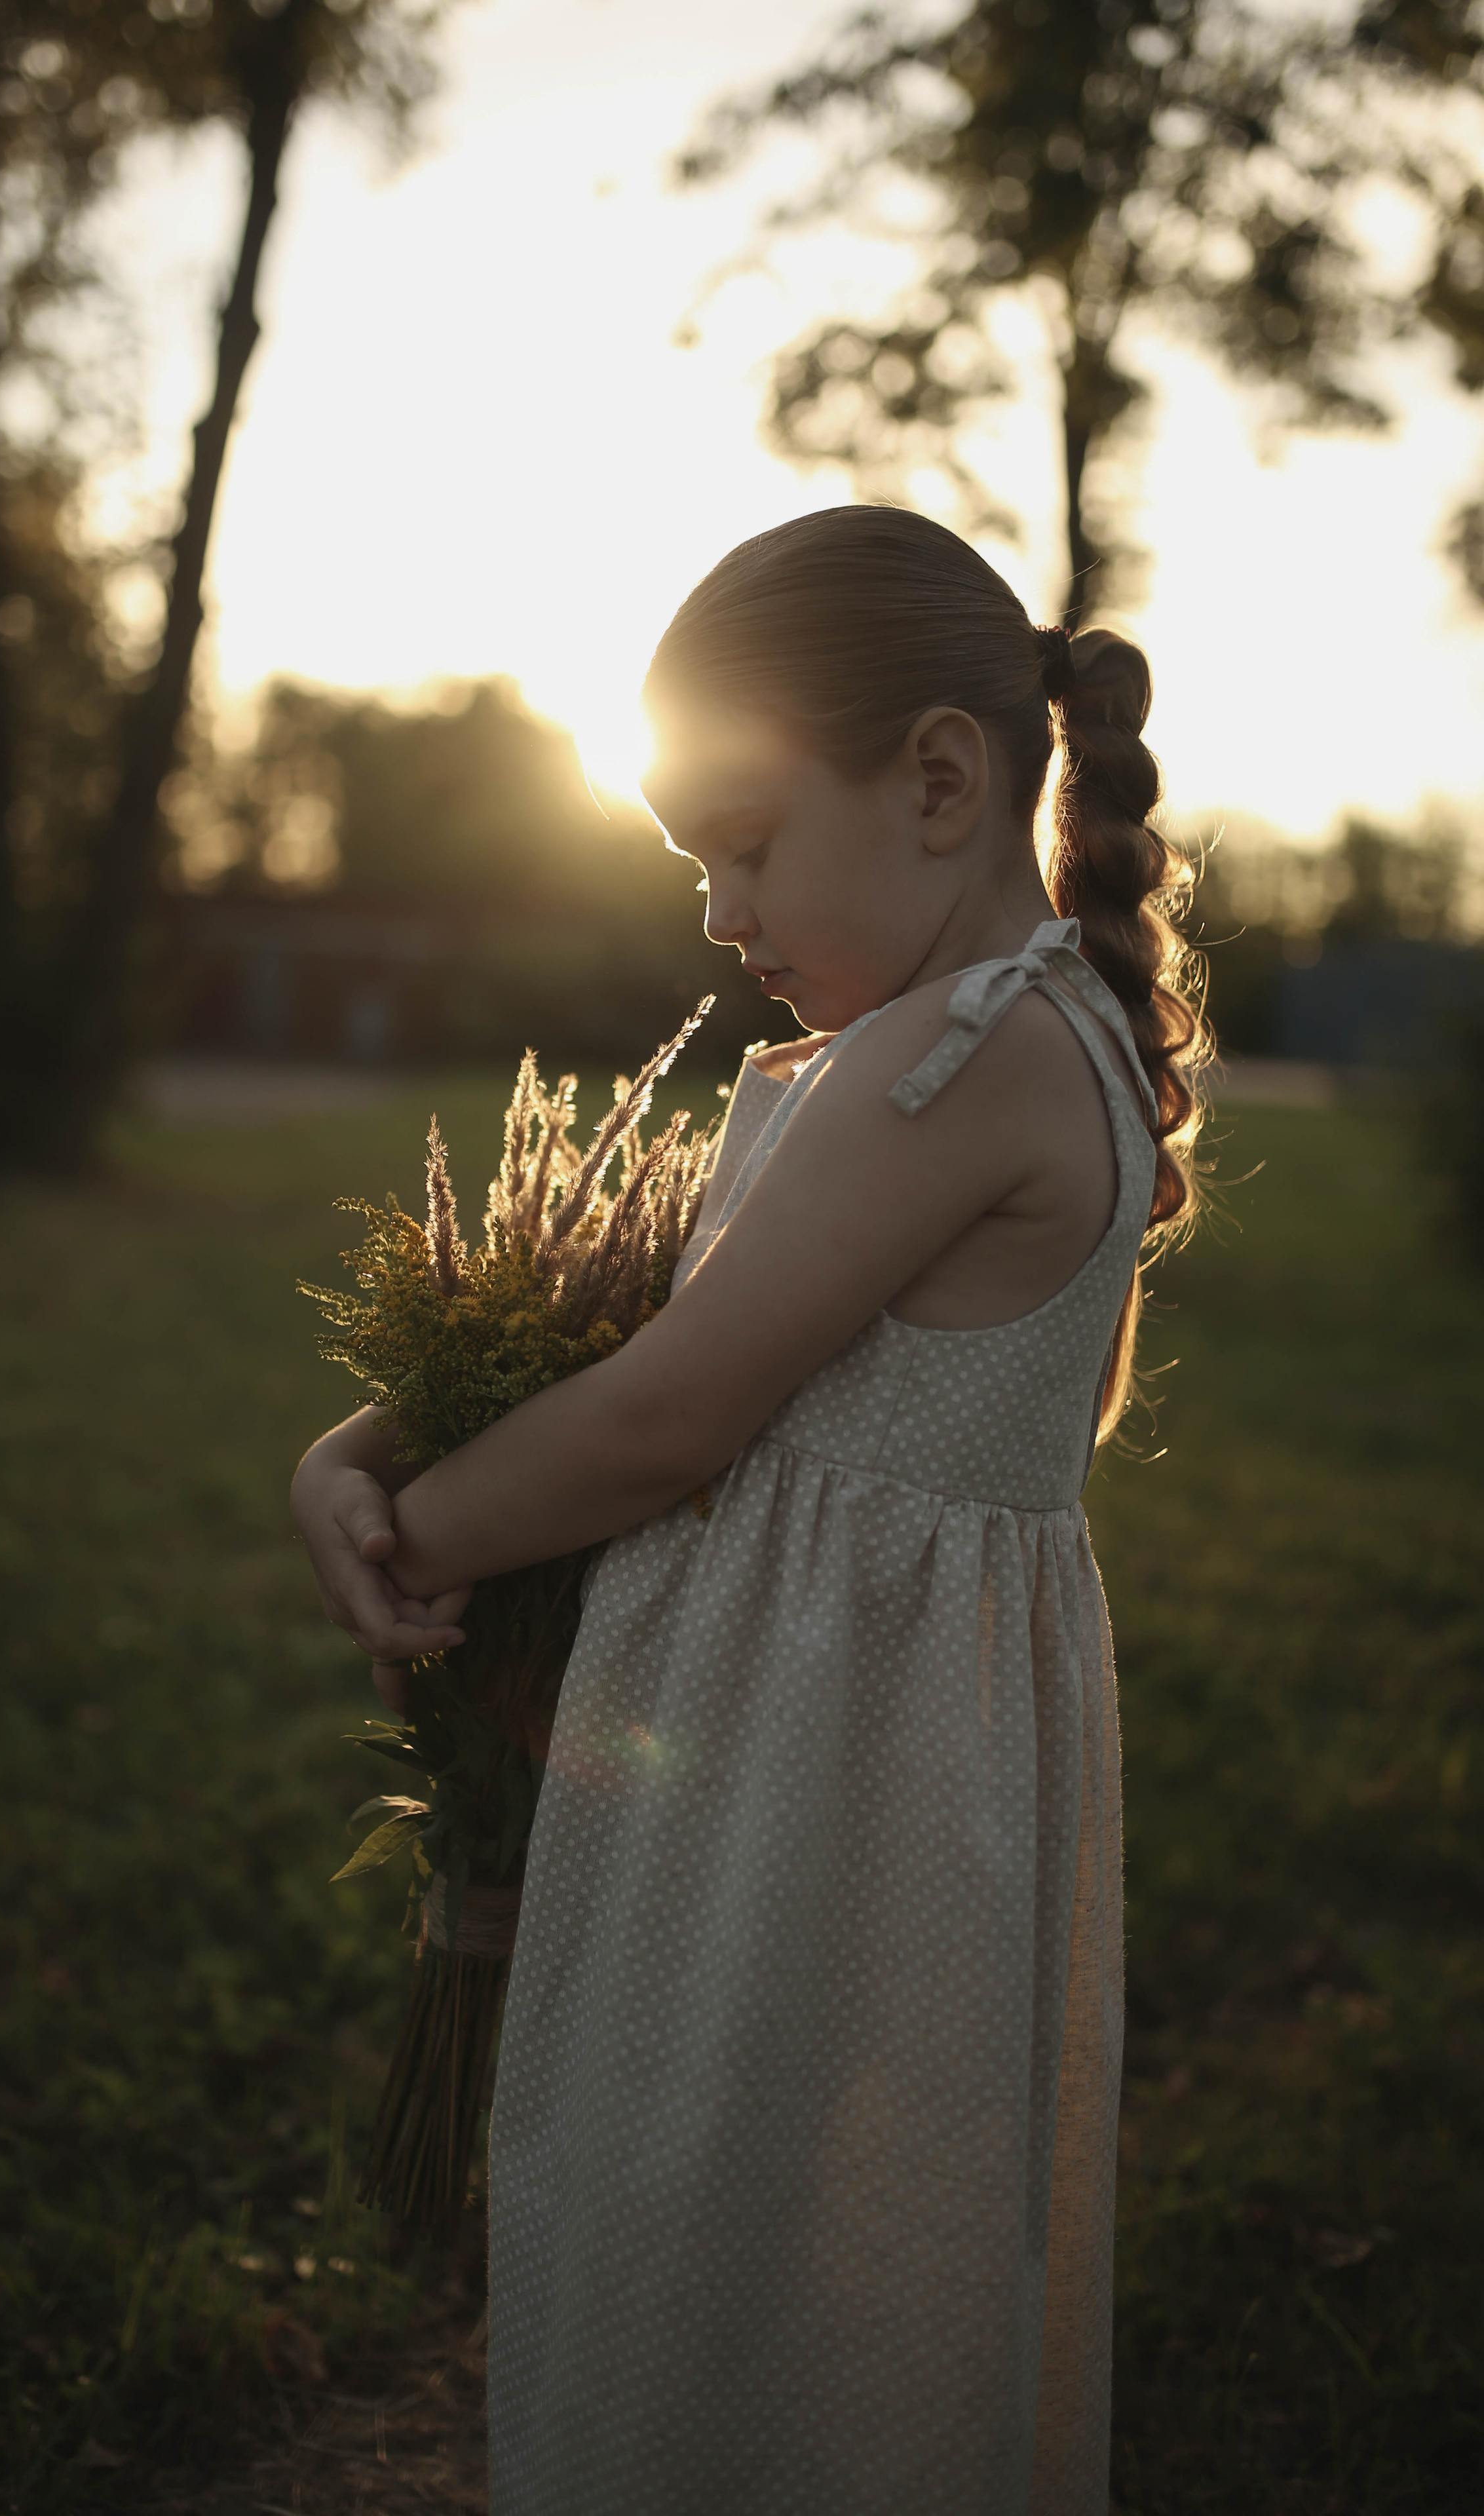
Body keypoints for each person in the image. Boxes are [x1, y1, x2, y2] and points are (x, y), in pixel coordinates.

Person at [290, 506, 1206, 2513]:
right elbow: (635, 1332)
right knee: (720, 2186)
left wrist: (417, 1545)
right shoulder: (938, 1050)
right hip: (807, 1742)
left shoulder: (965, 1065)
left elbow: (664, 1417)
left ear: (942, 782)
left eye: (745, 840)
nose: (716, 909)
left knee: (755, 2209)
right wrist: (358, 1448)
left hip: (835, 1771)